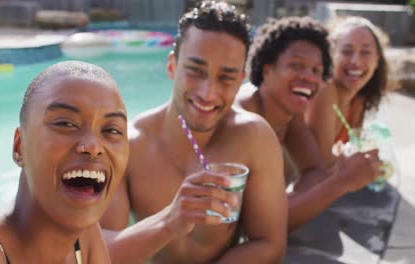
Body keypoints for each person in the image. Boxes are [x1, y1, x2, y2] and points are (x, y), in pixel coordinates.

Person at [100, 1, 287, 263]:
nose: (207, 93)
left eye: (226, 78)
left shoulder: (255, 138)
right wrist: (169, 221)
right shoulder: (128, 144)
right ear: (172, 66)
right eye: (196, 71)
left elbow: (269, 243)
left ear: (241, 79)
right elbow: (98, 252)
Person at [0, 61, 129, 263]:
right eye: (66, 124)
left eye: (112, 130)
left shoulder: (84, 238)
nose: (93, 146)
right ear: (20, 146)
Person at [235, 16, 384, 231]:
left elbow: (315, 170)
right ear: (266, 69)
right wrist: (341, 182)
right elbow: (260, 226)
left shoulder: (290, 110)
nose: (308, 77)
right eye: (296, 65)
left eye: (316, 70)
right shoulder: (244, 122)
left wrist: (290, 204)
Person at [305, 16, 391, 168]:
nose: (356, 61)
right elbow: (323, 167)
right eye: (346, 51)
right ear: (330, 56)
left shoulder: (359, 99)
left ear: (377, 59)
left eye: (365, 52)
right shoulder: (325, 91)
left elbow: (352, 149)